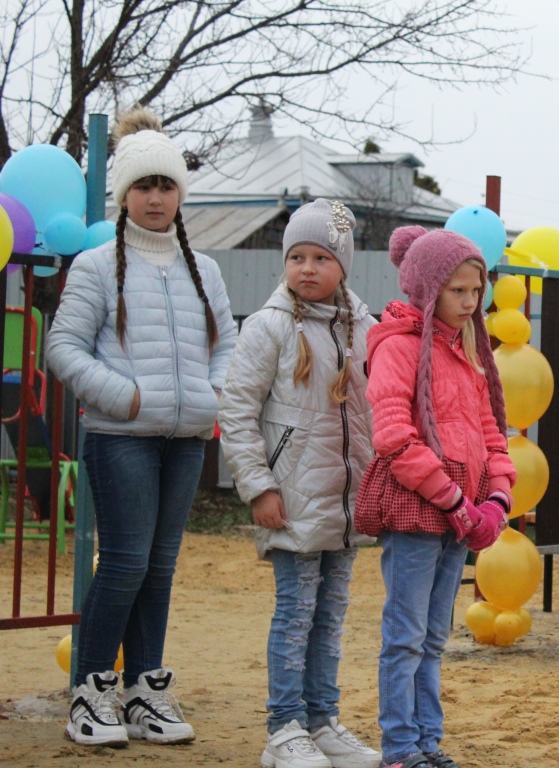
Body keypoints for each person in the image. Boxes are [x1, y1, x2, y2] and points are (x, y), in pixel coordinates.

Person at [47, 106, 238, 746]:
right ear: (125, 194)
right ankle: (91, 688)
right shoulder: (98, 265)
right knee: (124, 562)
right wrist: (123, 398)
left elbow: (227, 344)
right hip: (121, 438)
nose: (155, 198)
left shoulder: (203, 270)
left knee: (160, 566)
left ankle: (144, 691)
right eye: (143, 186)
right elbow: (64, 347)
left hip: (185, 441)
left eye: (165, 186)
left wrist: (212, 395)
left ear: (179, 193)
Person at [218, 199, 381, 768]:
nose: (307, 268)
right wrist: (258, 487)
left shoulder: (366, 329)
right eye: (296, 256)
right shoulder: (268, 327)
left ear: (344, 264)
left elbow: (378, 412)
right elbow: (237, 411)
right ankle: (283, 727)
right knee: (295, 612)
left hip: (347, 504)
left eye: (320, 257)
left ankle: (321, 719)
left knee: (331, 613)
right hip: (290, 501)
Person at [354, 226, 516, 768]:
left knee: (431, 638)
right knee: (404, 637)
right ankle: (399, 748)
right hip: (420, 513)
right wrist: (452, 500)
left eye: (477, 292)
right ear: (427, 288)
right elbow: (393, 436)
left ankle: (428, 742)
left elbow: (494, 432)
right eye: (458, 292)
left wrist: (497, 499)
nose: (471, 303)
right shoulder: (397, 346)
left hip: (460, 517)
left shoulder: (468, 350)